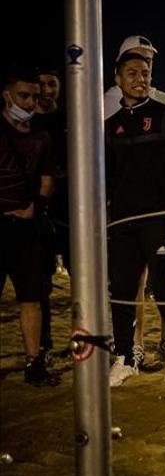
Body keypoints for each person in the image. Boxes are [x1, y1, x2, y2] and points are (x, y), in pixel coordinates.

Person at [104, 52, 165, 386]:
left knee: (163, 287)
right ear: (118, 79)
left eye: (145, 73)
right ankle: (126, 358)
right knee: (124, 290)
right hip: (123, 224)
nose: (140, 79)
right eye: (132, 73)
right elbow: (105, 177)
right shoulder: (109, 126)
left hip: (162, 218)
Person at [1, 70, 59, 386]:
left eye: (35, 97)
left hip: (26, 227)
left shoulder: (41, 137)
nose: (31, 102)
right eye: (24, 95)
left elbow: (48, 178)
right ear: (7, 95)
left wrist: (36, 203)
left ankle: (34, 362)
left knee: (31, 298)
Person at [32, 67, 67, 362]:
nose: (47, 89)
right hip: (40, 209)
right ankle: (44, 345)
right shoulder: (27, 123)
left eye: (52, 83)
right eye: (42, 83)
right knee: (41, 281)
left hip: (71, 208)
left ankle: (85, 337)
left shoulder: (71, 119)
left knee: (84, 277)